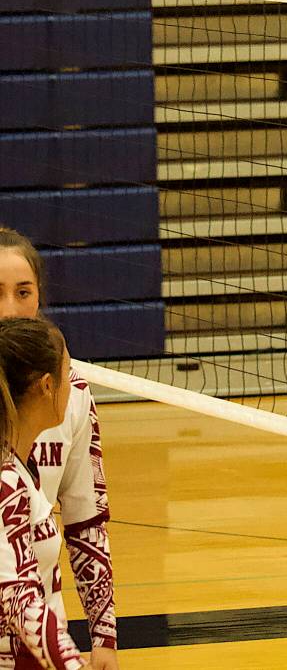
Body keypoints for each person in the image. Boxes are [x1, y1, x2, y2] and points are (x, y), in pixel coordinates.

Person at [0, 229, 117, 668]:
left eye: (23, 292)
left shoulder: (70, 398)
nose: (10, 309)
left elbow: (86, 520)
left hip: (45, 637)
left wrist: (103, 635)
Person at [0, 317, 89, 668]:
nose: (73, 386)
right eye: (68, 374)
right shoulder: (6, 481)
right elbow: (19, 599)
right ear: (48, 386)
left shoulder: (22, 467)